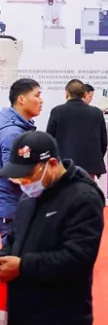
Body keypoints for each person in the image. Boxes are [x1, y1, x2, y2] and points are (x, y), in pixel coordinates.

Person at [0, 131, 104, 325]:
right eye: (18, 177)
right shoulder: (29, 198)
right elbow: (14, 239)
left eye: (28, 175)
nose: (24, 182)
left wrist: (23, 266)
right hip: (23, 322)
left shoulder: (83, 198)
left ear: (53, 164)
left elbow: (78, 258)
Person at [46, 79, 108, 192]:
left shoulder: (57, 111)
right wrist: (96, 158)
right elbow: (103, 142)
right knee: (86, 194)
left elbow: (49, 139)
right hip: (90, 165)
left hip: (64, 165)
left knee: (65, 195)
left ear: (67, 93)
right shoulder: (96, 113)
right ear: (84, 94)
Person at [0, 79, 42, 237]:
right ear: (21, 99)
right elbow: (15, 175)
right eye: (37, 95)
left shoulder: (18, 127)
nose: (41, 100)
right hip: (12, 206)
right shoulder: (13, 134)